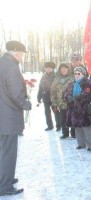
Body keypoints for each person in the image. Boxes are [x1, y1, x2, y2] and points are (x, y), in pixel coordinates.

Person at [0, 40, 31, 196]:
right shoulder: (11, 68)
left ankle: (4, 178)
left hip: (3, 115)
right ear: (16, 52)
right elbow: (15, 94)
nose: (21, 57)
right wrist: (26, 103)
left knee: (3, 150)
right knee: (8, 152)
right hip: (8, 118)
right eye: (21, 54)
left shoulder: (2, 63)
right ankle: (4, 185)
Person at [63, 66, 91, 151]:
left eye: (79, 73)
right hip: (74, 109)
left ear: (83, 74)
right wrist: (68, 96)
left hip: (84, 110)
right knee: (77, 127)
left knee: (86, 128)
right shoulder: (72, 83)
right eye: (75, 73)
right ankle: (81, 144)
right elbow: (65, 93)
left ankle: (90, 146)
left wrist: (79, 97)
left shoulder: (88, 83)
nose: (77, 75)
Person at [51, 63, 74, 139]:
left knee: (72, 118)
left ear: (68, 69)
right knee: (63, 119)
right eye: (62, 68)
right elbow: (53, 92)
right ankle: (65, 133)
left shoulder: (72, 78)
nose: (63, 70)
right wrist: (54, 103)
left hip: (70, 103)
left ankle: (73, 133)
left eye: (65, 68)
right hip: (61, 103)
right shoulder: (56, 79)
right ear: (60, 70)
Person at [37, 62, 61, 131]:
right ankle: (50, 126)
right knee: (47, 113)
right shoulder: (43, 77)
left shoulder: (56, 77)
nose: (48, 69)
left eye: (50, 68)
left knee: (56, 112)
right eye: (47, 68)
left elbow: (59, 88)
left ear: (53, 69)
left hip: (54, 98)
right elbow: (40, 88)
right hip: (45, 98)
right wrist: (39, 97)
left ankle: (58, 125)